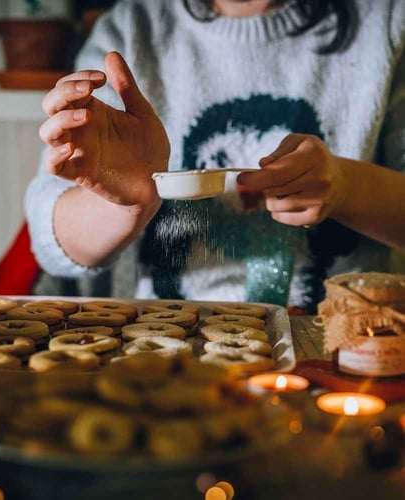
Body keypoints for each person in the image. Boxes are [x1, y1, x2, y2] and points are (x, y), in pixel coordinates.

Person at [25, 0, 405, 313]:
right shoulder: (132, 28)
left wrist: (348, 187)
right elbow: (52, 240)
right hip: (165, 348)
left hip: (345, 346)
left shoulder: (385, 22)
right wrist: (126, 205)